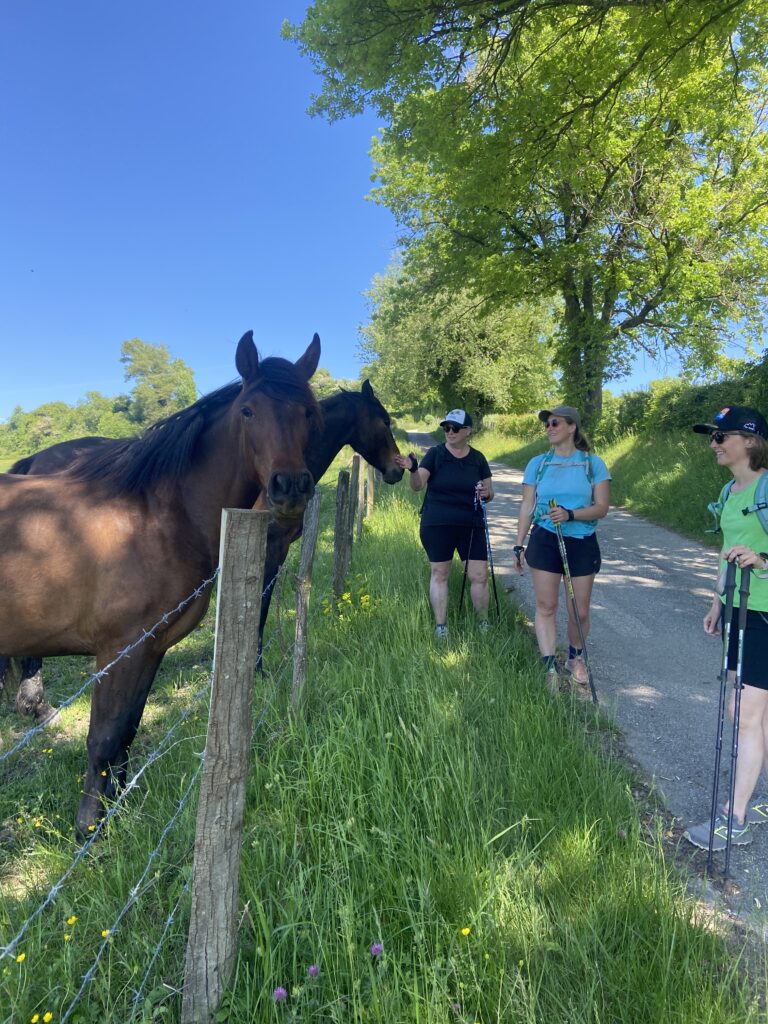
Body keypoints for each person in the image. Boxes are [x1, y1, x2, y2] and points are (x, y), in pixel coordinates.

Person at [683, 405, 768, 852]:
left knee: (745, 713)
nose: (713, 444)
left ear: (750, 441)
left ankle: (734, 818)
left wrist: (763, 560)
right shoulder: (730, 490)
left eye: (721, 436)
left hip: (765, 613)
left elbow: (755, 552)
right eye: (711, 437)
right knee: (755, 713)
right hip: (739, 608)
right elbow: (725, 550)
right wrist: (717, 601)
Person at [514, 405, 611, 693]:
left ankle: (574, 657)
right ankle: (548, 665)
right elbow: (527, 505)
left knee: (579, 610)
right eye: (547, 424)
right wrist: (519, 542)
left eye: (555, 423)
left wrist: (570, 515)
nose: (549, 428)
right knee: (546, 605)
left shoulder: (592, 464)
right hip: (545, 538)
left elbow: (602, 507)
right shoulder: (538, 464)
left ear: (572, 427)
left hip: (581, 540)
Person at [394, 409, 493, 639]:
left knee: (479, 575)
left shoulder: (478, 458)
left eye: (455, 428)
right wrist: (412, 469)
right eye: (446, 428)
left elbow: (490, 492)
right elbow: (417, 486)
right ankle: (441, 627)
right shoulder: (435, 454)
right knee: (440, 573)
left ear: (468, 431)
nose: (450, 432)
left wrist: (486, 493)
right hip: (437, 524)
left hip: (472, 524)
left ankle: (484, 624)